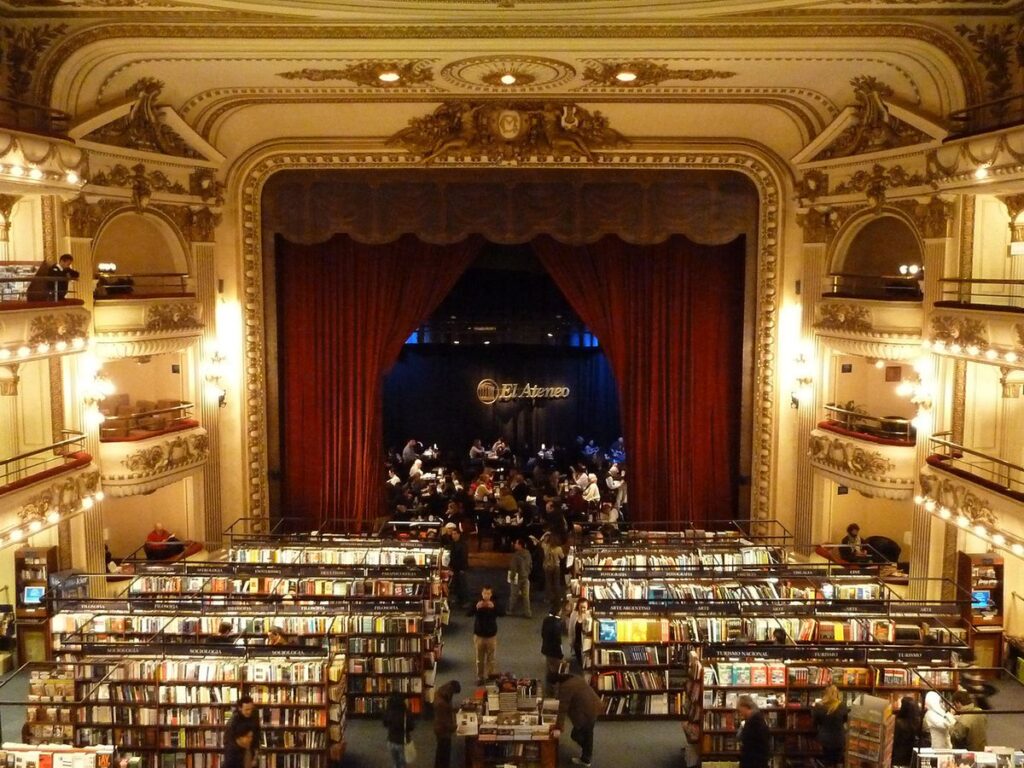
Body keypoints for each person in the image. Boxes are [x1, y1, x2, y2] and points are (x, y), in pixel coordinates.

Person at [549, 671, 601, 767]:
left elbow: (562, 709)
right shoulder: (575, 677)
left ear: (557, 683)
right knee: (588, 734)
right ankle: (586, 756)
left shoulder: (565, 688)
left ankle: (587, 755)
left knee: (576, 735)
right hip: (595, 706)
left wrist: (558, 728)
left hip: (585, 713)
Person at [468, 585, 501, 684]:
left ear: (491, 594)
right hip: (479, 636)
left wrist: (494, 607)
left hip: (491, 635)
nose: (486, 595)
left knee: (491, 658)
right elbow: (468, 614)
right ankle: (480, 676)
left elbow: (502, 613)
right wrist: (476, 607)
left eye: (488, 593)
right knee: (479, 659)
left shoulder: (495, 603)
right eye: (484, 593)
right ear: (482, 594)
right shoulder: (476, 602)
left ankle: (490, 675)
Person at [811, 684, 848, 767]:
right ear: (837, 693)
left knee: (827, 761)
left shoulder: (818, 706)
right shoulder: (842, 706)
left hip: (825, 739)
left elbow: (815, 722)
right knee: (837, 761)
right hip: (839, 739)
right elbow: (845, 720)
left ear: (825, 693)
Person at [432, 680, 461, 768]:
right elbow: (444, 722)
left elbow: (446, 709)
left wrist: (453, 709)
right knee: (444, 753)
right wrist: (455, 727)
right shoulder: (441, 703)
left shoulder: (442, 693)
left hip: (439, 729)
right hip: (443, 731)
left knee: (440, 751)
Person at [736, 694, 770, 768]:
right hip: (756, 761)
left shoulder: (754, 721)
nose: (739, 712)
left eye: (739, 709)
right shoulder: (756, 718)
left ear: (744, 706)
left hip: (754, 763)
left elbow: (747, 743)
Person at [227, 695, 261, 766]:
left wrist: (255, 756)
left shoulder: (255, 715)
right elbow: (229, 740)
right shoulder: (234, 720)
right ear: (240, 708)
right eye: (246, 710)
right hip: (237, 751)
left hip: (251, 750)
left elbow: (257, 735)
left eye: (251, 709)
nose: (249, 712)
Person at [382, 692, 414, 768]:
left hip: (391, 741)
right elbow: (411, 727)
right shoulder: (406, 713)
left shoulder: (388, 712)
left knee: (395, 762)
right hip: (403, 742)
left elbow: (385, 724)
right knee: (402, 763)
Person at [891, 696, 921, 768]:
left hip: (898, 759)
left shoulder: (898, 723)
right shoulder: (918, 723)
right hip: (912, 758)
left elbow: (893, 741)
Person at [507, 538, 533, 618]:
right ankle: (527, 612)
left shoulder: (516, 555)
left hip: (517, 577)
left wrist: (511, 577)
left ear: (520, 545)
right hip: (525, 577)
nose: (515, 544)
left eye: (516, 543)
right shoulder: (528, 553)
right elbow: (530, 565)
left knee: (514, 594)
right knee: (526, 596)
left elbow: (513, 568)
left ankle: (511, 610)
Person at [540, 533, 565, 614]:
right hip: (556, 567)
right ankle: (557, 598)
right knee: (556, 583)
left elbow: (541, 541)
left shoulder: (546, 547)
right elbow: (562, 557)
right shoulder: (558, 548)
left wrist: (545, 534)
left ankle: (549, 598)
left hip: (547, 567)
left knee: (548, 582)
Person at [446, 526, 469, 607]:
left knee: (462, 585)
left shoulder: (463, 545)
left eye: (455, 534)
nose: (453, 535)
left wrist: (462, 569)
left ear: (459, 535)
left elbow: (464, 557)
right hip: (454, 568)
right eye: (452, 534)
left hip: (461, 568)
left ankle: (464, 601)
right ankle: (459, 600)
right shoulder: (452, 544)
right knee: (456, 585)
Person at [541, 608, 564, 689]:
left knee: (549, 668)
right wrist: (561, 653)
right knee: (557, 670)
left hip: (547, 649)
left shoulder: (546, 620)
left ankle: (548, 688)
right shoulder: (557, 624)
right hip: (555, 652)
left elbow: (543, 634)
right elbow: (558, 641)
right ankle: (555, 689)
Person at [567, 598, 592, 669]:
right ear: (578, 606)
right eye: (581, 607)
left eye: (585, 607)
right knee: (580, 661)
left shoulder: (589, 615)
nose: (583, 609)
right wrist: (571, 641)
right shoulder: (574, 614)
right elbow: (571, 628)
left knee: (586, 659)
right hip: (577, 640)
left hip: (586, 641)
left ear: (587, 607)